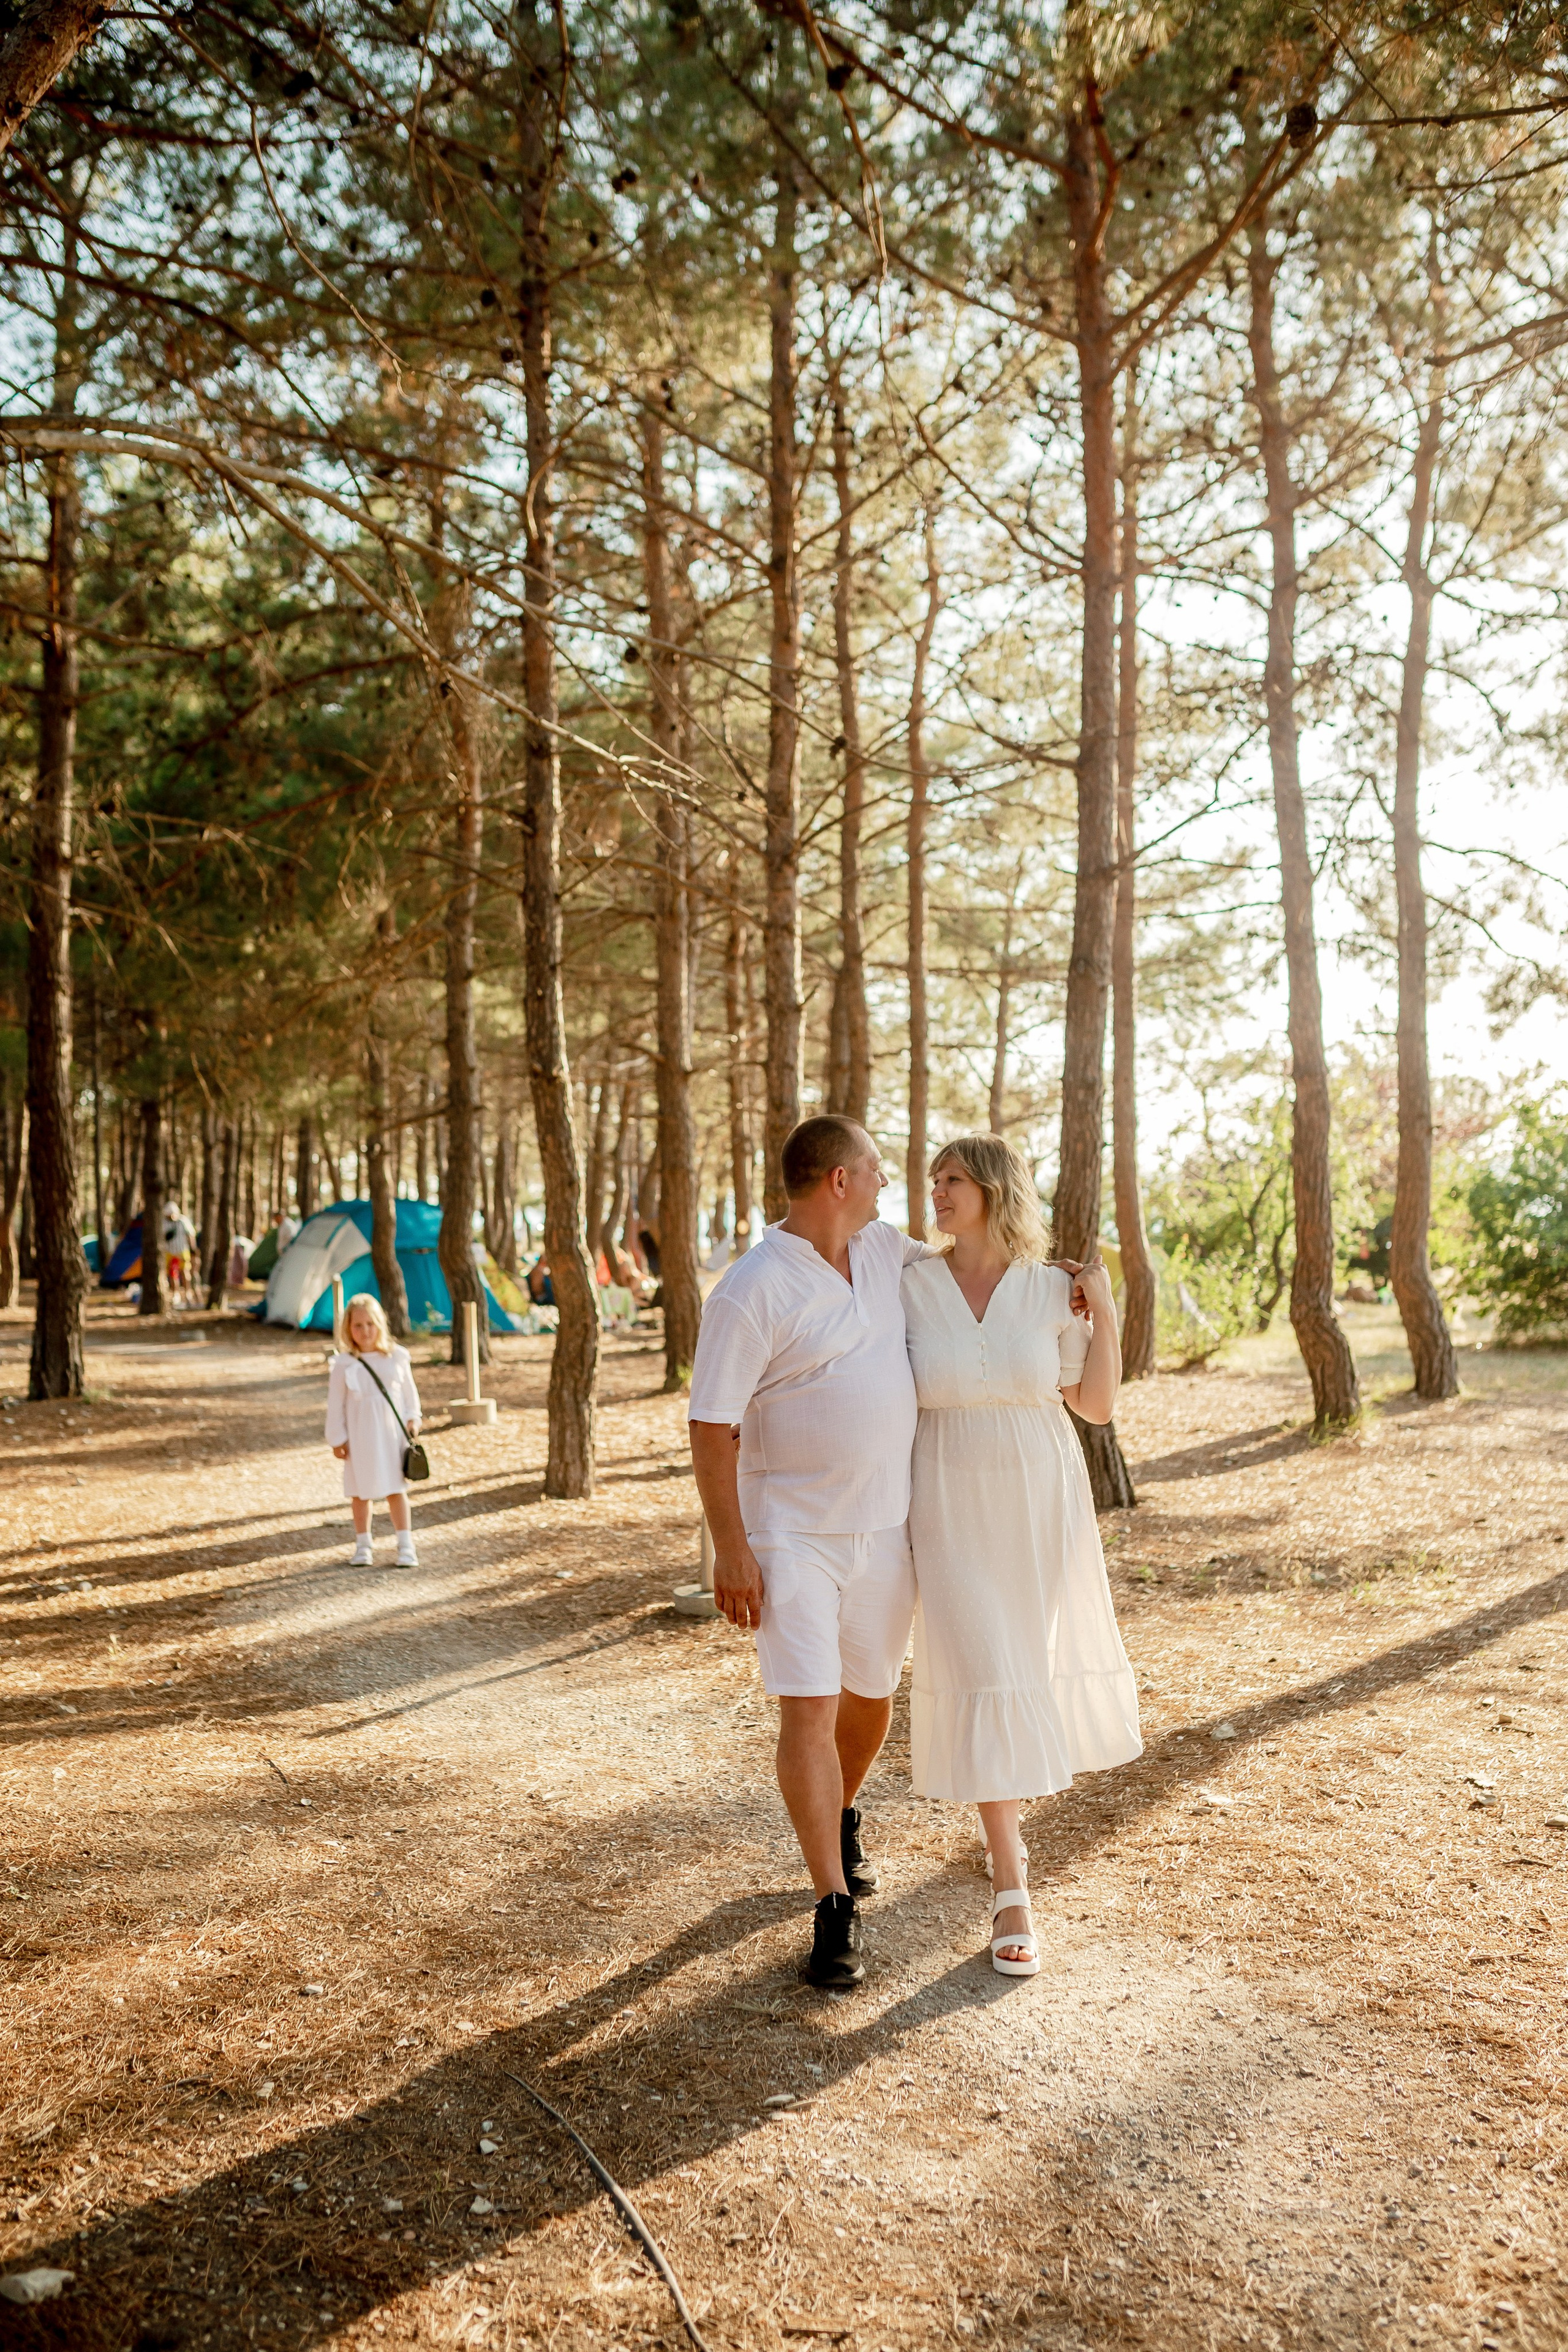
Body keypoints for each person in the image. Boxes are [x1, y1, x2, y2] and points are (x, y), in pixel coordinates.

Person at [687, 1114, 930, 1992]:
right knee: (811, 1711)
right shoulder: (750, 1290)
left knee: (873, 1698)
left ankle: (841, 1815)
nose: (884, 1185)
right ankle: (833, 1906)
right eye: (875, 1171)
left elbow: (969, 1270)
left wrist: (1061, 1288)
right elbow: (712, 1425)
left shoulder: (881, 1252)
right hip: (792, 1535)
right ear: (839, 1180)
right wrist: (732, 1548)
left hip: (888, 1527)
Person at [901, 1134, 1142, 1977]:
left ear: (995, 1190)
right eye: (933, 1179)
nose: (936, 1191)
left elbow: (1098, 1405)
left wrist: (1104, 1310)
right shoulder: (911, 1285)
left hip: (1039, 1492)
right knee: (980, 1662)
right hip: (945, 1492)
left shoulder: (1051, 1291)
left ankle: (1009, 1861)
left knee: (1022, 1662)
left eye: (953, 1179)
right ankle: (1011, 1878)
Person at [326, 1291, 422, 1569]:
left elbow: (409, 1396)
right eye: (358, 1325)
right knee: (360, 1492)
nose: (365, 1331)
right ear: (348, 1329)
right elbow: (336, 1406)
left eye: (370, 1324)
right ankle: (363, 1544)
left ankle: (405, 1544)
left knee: (396, 1489)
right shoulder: (343, 1364)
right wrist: (337, 1438)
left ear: (380, 1323)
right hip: (359, 1436)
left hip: (392, 1434)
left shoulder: (396, 1357)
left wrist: (413, 1419)